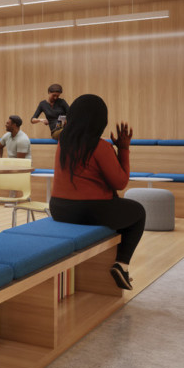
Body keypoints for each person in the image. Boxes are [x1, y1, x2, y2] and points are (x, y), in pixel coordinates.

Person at [48, 94, 143, 291]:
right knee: (138, 212)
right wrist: (123, 149)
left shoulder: (62, 143)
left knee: (117, 209)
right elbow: (120, 182)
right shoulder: (100, 146)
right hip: (89, 211)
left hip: (58, 209)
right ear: (101, 120)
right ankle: (122, 264)